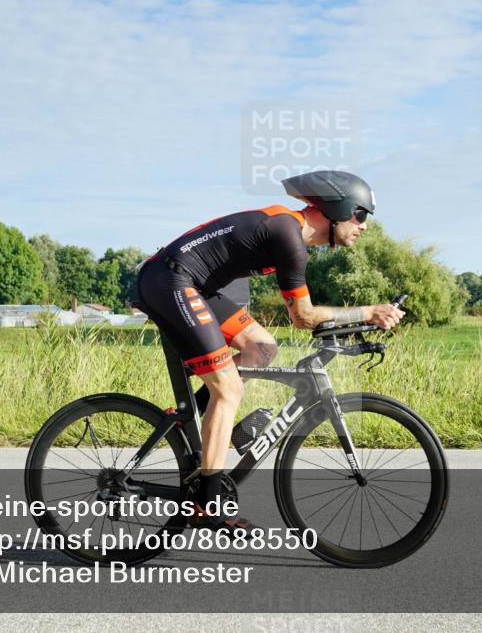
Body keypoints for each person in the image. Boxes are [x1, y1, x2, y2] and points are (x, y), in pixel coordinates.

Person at [134, 170, 405, 532]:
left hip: (191, 285)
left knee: (261, 348)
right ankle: (206, 505)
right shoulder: (287, 235)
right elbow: (303, 317)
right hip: (169, 281)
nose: (364, 226)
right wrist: (366, 312)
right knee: (229, 388)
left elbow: (301, 319)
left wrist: (358, 323)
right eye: (360, 215)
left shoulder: (289, 231)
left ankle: (192, 418)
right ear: (337, 209)